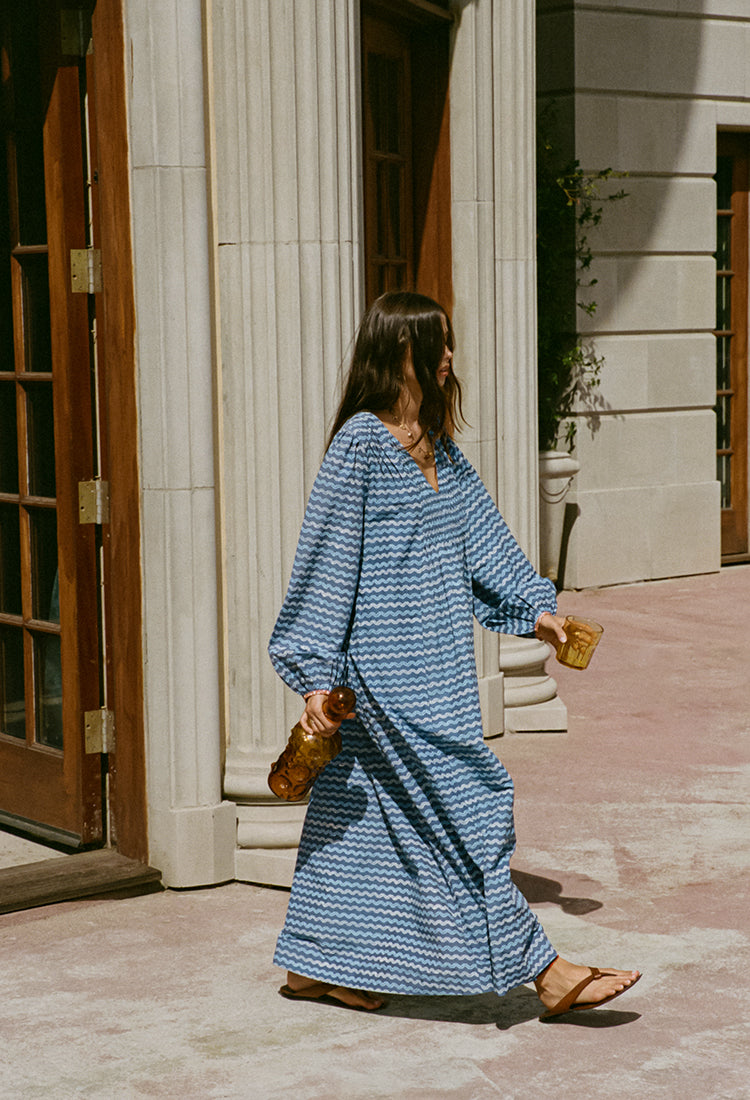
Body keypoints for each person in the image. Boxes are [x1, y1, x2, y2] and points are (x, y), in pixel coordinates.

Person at [268, 291, 640, 1019]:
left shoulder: (440, 449)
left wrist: (539, 613)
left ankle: (314, 962)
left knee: (358, 816)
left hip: (441, 670)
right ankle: (547, 972)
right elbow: (325, 561)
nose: (448, 355)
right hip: (382, 676)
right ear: (400, 347)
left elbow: (486, 541)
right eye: (437, 342)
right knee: (471, 806)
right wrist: (315, 677)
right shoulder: (360, 445)